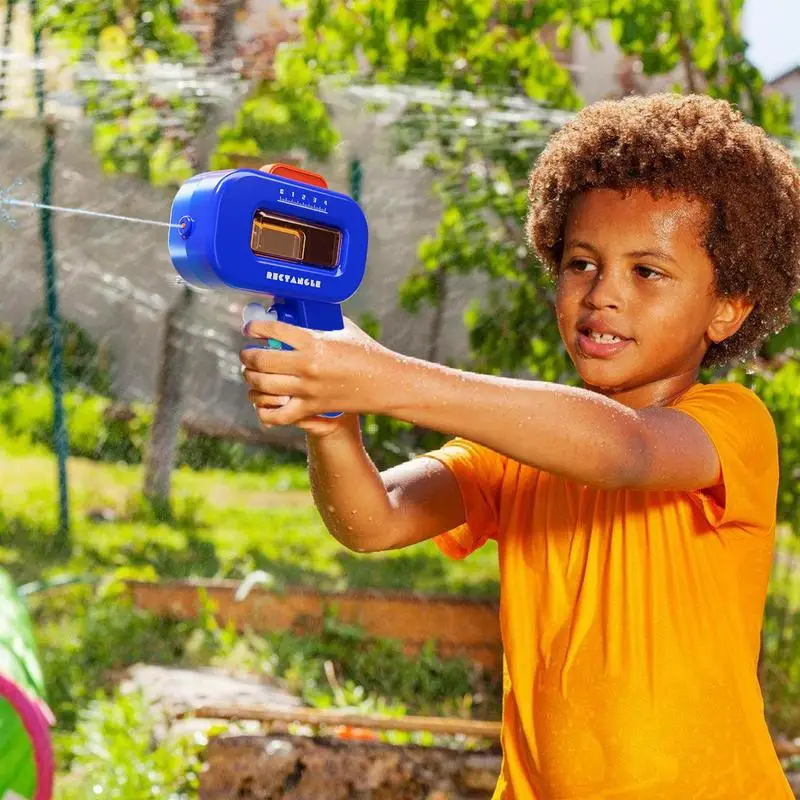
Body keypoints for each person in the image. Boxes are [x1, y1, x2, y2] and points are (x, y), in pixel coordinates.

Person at [239, 93, 800, 799]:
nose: (603, 294)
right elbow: (373, 519)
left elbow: (625, 451)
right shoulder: (519, 449)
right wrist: (332, 422)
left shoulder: (730, 424)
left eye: (647, 272)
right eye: (581, 263)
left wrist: (383, 378)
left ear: (728, 308)